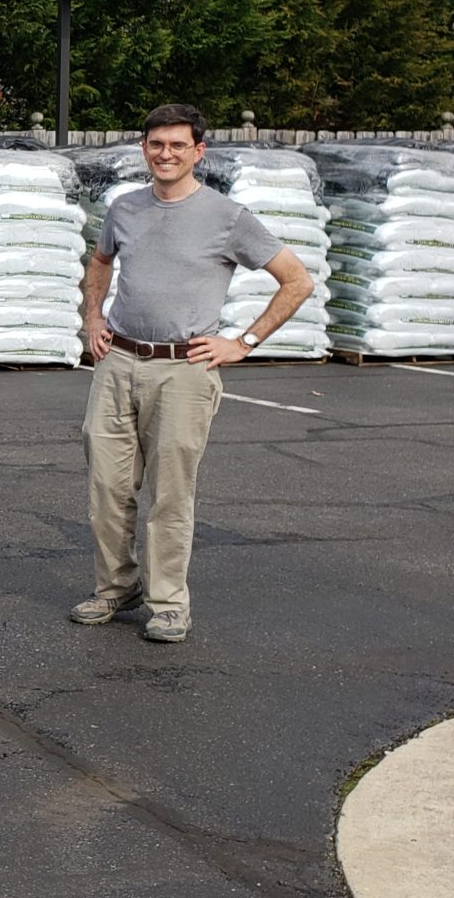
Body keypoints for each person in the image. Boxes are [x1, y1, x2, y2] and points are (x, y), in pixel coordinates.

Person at [73, 103, 314, 644]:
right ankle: (116, 587)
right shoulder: (124, 208)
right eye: (156, 144)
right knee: (107, 486)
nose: (166, 154)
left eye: (178, 145)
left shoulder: (227, 218)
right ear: (144, 149)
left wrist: (243, 342)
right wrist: (92, 317)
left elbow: (297, 281)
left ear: (198, 152)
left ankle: (168, 604)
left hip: (184, 371)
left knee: (170, 494)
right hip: (118, 362)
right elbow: (100, 261)